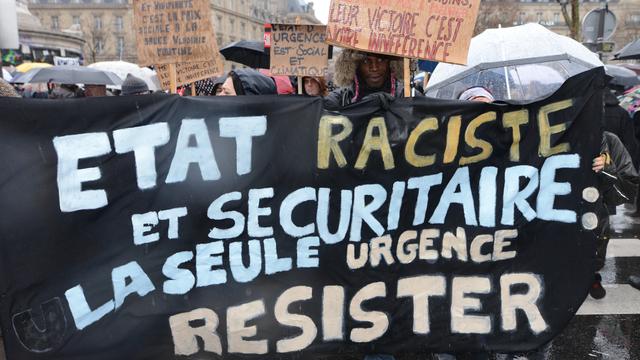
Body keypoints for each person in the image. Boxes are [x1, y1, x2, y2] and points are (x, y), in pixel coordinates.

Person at [590, 131, 639, 299]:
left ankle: (591, 277)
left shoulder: (608, 140)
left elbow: (628, 184)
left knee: (594, 246)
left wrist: (607, 168)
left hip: (594, 212)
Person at [324, 50, 405, 109]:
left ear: (390, 63)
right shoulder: (340, 99)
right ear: (355, 65)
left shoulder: (406, 97)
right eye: (366, 61)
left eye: (381, 60)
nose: (374, 68)